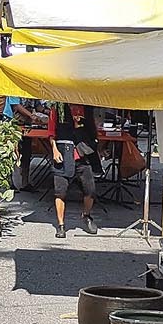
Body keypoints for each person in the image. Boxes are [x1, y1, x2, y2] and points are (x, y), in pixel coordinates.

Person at [48, 102, 103, 239]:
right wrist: (54, 150)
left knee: (90, 191)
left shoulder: (86, 107)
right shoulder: (58, 108)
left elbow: (93, 130)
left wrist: (97, 148)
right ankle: (61, 225)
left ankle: (86, 215)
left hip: (83, 154)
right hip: (63, 152)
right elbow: (51, 132)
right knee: (60, 192)